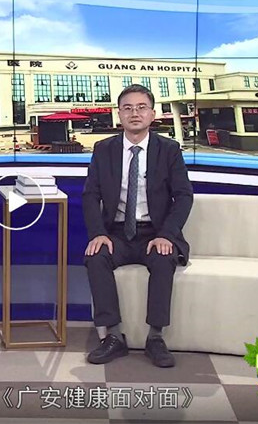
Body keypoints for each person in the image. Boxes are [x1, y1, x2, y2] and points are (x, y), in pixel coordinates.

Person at [82, 84, 193, 367]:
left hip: (155, 233)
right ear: (119, 114)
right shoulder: (103, 149)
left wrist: (167, 235)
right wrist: (98, 233)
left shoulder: (168, 150)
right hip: (117, 233)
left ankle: (155, 337)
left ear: (152, 114)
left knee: (164, 257)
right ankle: (113, 337)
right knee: (96, 256)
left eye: (142, 107)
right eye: (128, 108)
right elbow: (90, 195)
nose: (135, 113)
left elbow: (183, 196)